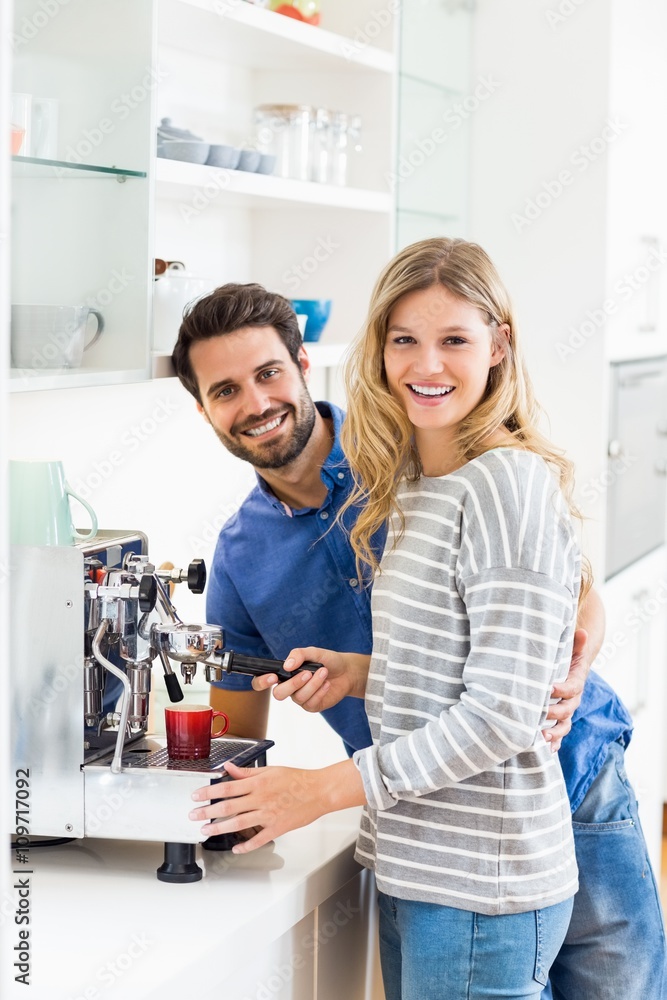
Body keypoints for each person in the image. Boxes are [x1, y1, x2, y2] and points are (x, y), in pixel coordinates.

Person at [172, 271, 666, 999]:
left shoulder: (412, 442)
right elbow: (230, 737)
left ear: (304, 366)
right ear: (203, 410)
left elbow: (570, 580)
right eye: (225, 391)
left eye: (268, 373)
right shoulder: (241, 557)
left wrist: (573, 653)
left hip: (570, 772)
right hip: (435, 831)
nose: (256, 405)